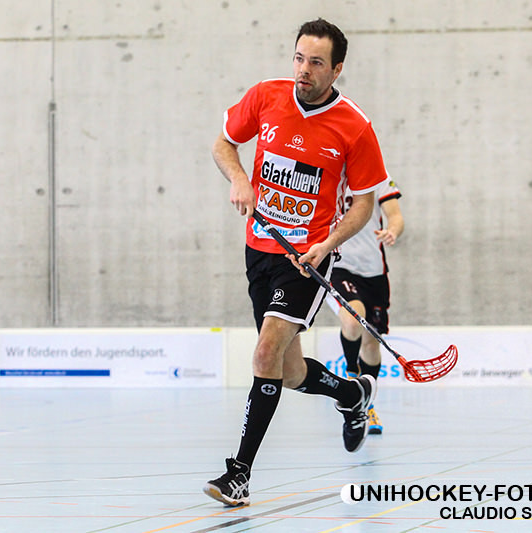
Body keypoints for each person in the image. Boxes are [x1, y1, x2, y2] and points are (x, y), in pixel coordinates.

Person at [205, 18, 390, 507]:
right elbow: (223, 143)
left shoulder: (355, 126)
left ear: (336, 69)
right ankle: (351, 395)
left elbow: (364, 204)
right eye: (299, 58)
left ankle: (239, 474)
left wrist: (328, 245)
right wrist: (239, 178)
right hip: (259, 251)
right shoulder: (266, 96)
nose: (303, 70)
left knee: (264, 353)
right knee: (286, 371)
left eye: (316, 63)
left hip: (306, 259)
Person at [326, 178, 403, 434]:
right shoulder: (328, 170)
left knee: (371, 343)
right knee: (352, 319)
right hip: (338, 265)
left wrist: (393, 231)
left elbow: (395, 215)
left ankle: (366, 402)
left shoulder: (377, 176)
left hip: (373, 272)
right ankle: (351, 378)